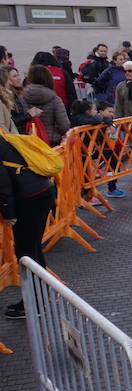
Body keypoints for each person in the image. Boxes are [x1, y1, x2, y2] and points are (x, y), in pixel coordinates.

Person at [0, 127, 58, 319]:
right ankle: (39, 297)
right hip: (43, 190)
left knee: (26, 253)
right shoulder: (4, 138)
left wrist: (9, 213)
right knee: (33, 248)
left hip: (29, 198)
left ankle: (33, 303)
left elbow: (3, 183)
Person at [20, 66, 68, 146]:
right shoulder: (54, 99)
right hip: (52, 142)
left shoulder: (21, 97)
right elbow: (64, 125)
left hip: (29, 141)